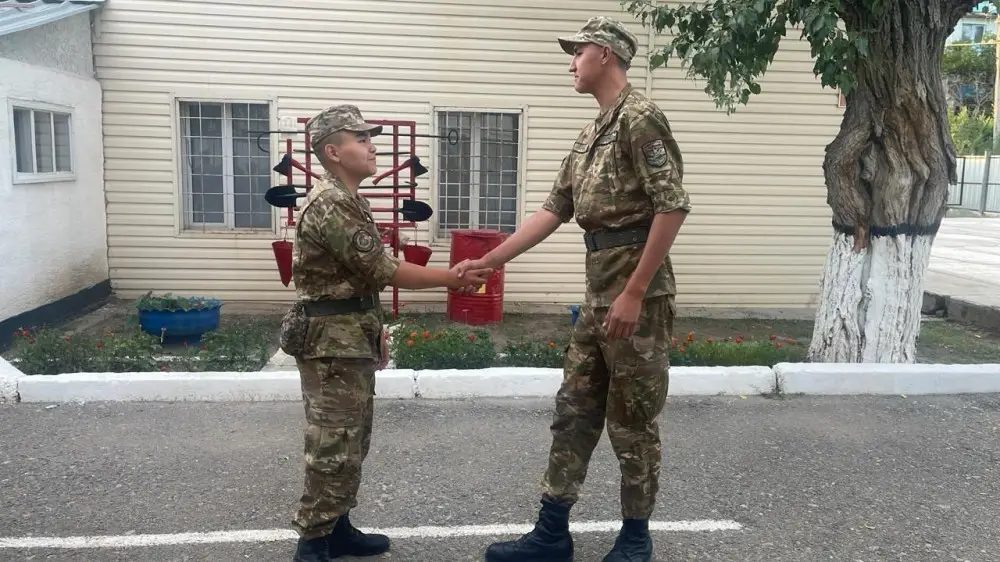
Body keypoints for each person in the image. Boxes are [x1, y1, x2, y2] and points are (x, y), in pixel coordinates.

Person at [459, 16, 692, 562]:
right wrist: (488, 262)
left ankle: (635, 539)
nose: (571, 63)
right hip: (596, 297)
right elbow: (552, 210)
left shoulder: (640, 119)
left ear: (605, 54)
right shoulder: (590, 135)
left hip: (637, 297)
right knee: (574, 410)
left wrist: (635, 291)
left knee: (632, 421)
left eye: (578, 52)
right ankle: (551, 534)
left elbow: (671, 206)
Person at [280, 103, 492, 562]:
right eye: (361, 139)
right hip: (331, 343)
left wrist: (374, 329)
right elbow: (382, 269)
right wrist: (451, 278)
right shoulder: (333, 203)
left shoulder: (348, 198)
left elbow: (358, 280)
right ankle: (313, 542)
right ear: (333, 151)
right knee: (333, 443)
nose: (371, 147)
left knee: (352, 439)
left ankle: (337, 527)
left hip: (348, 336)